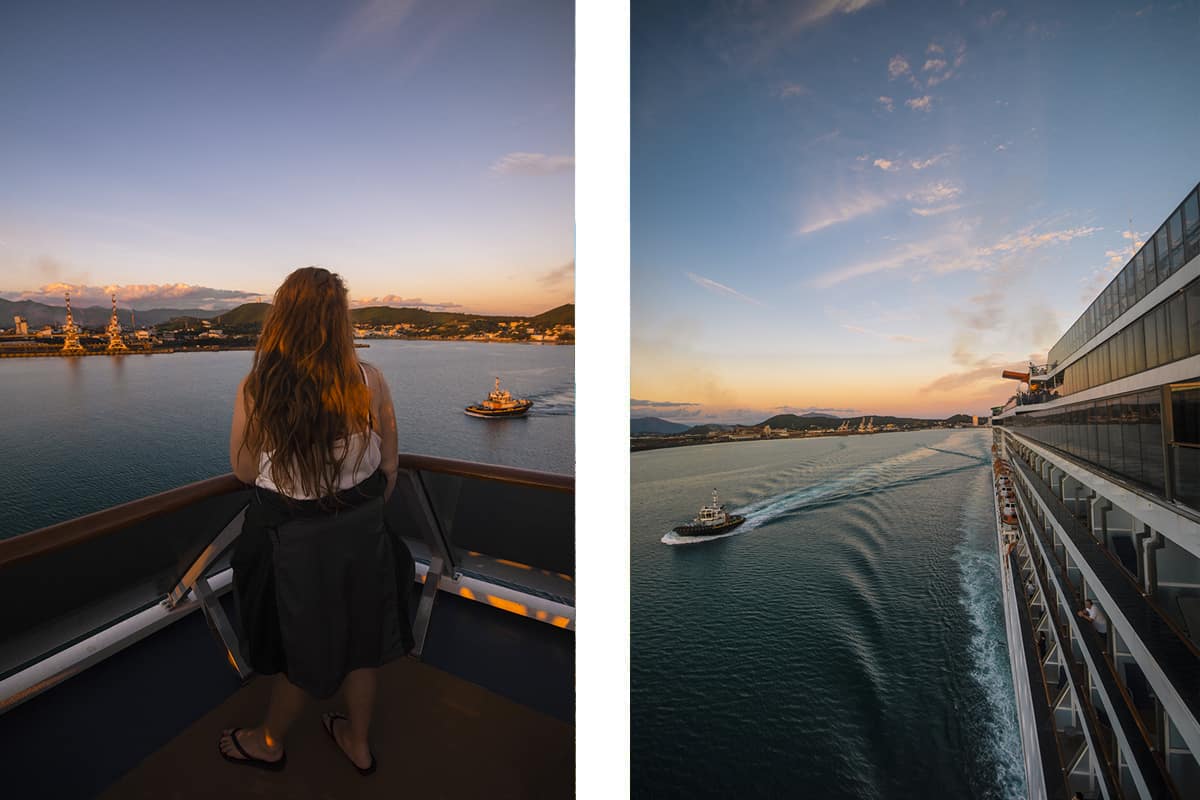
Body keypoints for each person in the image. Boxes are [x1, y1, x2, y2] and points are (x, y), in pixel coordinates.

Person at [216, 267, 411, 775]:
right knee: (363, 640)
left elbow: (244, 471)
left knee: (300, 647)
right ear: (340, 320)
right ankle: (358, 742)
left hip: (294, 544)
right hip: (364, 534)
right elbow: (390, 466)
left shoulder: (259, 388)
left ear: (281, 319)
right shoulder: (369, 380)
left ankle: (269, 742)